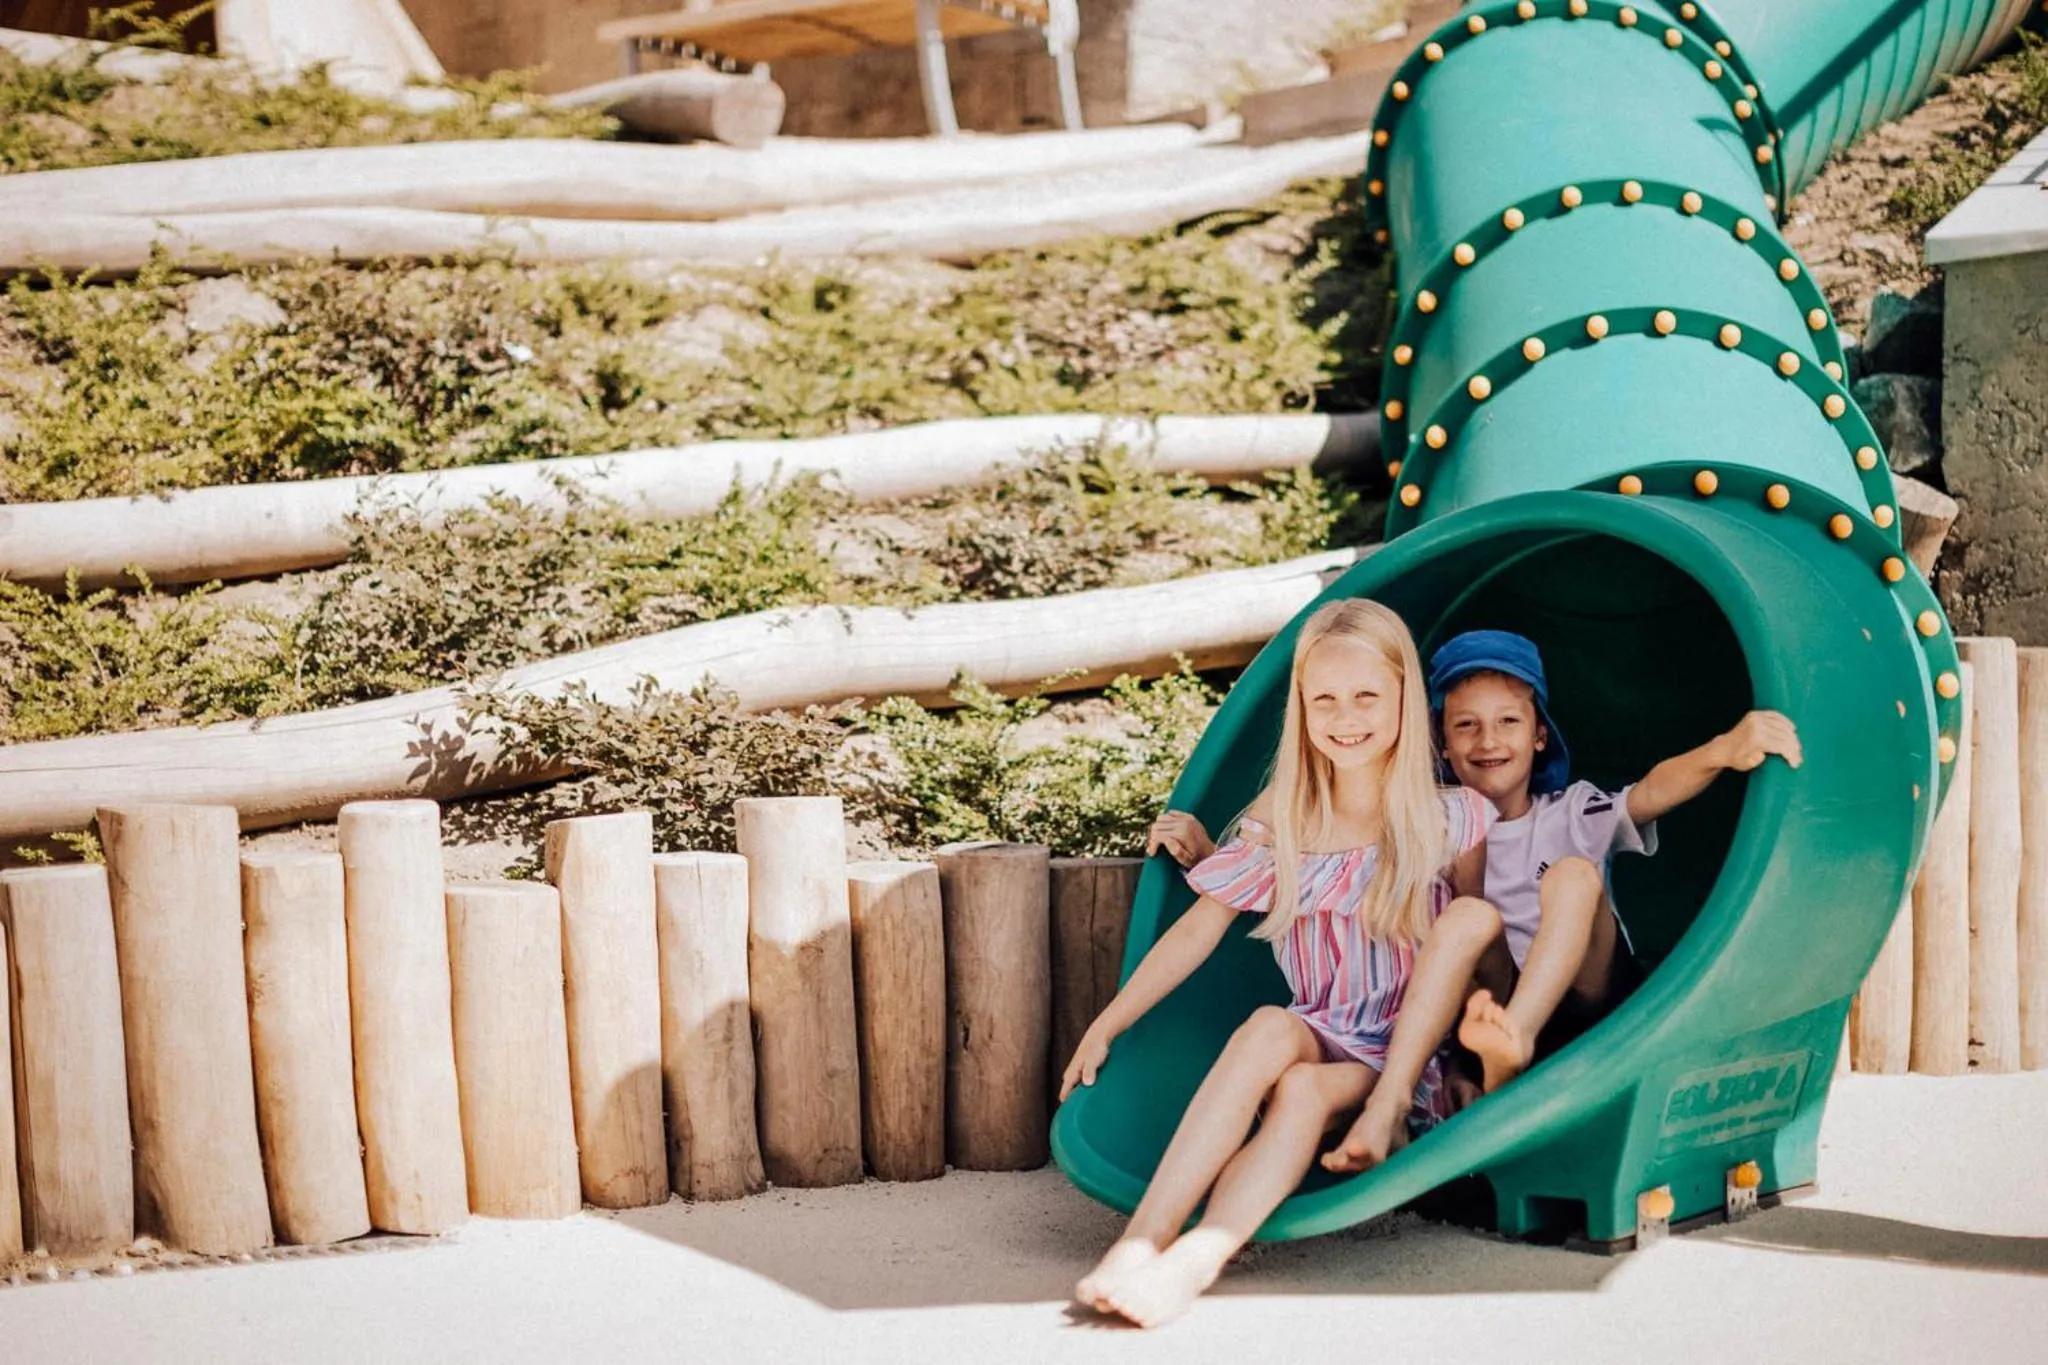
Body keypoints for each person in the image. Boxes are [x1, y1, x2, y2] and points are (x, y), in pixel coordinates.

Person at [1059, 598, 1495, 1328]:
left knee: (1300, 1091)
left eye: (1366, 696)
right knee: (1268, 1027)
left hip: (1398, 1056)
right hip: (1320, 1021)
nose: (1345, 716)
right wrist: (1108, 1022)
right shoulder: (1283, 815)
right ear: (1300, 705)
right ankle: (1141, 1241)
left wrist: (1477, 1062)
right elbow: (1199, 930)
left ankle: (1201, 1255)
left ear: (1403, 698)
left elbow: (1476, 952)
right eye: (1323, 698)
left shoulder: (1452, 816)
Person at [1323, 630, 1802, 1171]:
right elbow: (1326, 846)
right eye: (1466, 725)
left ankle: (1515, 1042)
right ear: (1442, 745)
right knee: (1463, 916)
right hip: (1490, 1004)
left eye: (1508, 721)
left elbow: (1650, 791)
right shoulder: (1429, 830)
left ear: (1539, 736)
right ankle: (1481, 1064)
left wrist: (1723, 750)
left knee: (1574, 874)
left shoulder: (1571, 811)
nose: (1488, 741)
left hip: (1589, 997)